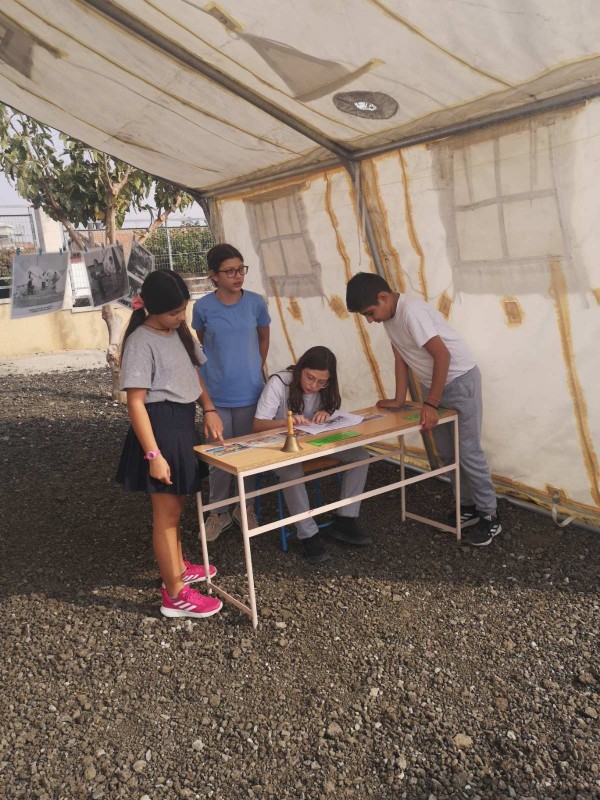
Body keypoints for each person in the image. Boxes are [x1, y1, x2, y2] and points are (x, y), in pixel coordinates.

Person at [345, 272, 501, 547]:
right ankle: (468, 506)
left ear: (383, 297)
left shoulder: (411, 312)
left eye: (369, 313)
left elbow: (443, 355)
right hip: (435, 386)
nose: (370, 320)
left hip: (460, 381)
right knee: (448, 452)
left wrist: (430, 403)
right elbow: (401, 358)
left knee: (468, 451)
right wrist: (399, 399)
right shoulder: (389, 318)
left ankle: (490, 515)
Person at [116, 270, 225, 619]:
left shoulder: (177, 331)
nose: (181, 317)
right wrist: (154, 455)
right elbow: (135, 403)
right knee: (165, 515)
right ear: (151, 308)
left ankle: (177, 566)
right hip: (159, 427)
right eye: (175, 312)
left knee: (178, 505)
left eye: (184, 310)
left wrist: (208, 408)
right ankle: (175, 594)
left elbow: (194, 373)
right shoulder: (140, 342)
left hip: (181, 423)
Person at [253, 346, 372, 565]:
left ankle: (346, 519)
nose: (314, 386)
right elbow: (258, 425)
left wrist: (326, 412)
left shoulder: (325, 388)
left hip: (313, 443)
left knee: (361, 455)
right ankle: (308, 535)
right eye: (310, 378)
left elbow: (330, 410)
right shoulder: (280, 382)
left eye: (321, 382)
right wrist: (286, 422)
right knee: (291, 473)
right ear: (300, 368)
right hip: (281, 446)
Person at [192, 244, 271, 541]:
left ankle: (245, 508)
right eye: (230, 271)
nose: (238, 276)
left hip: (250, 392)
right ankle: (218, 512)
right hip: (215, 395)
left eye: (241, 269)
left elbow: (263, 338)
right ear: (214, 275)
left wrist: (254, 367)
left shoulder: (256, 303)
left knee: (249, 455)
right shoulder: (202, 308)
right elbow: (203, 344)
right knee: (218, 456)